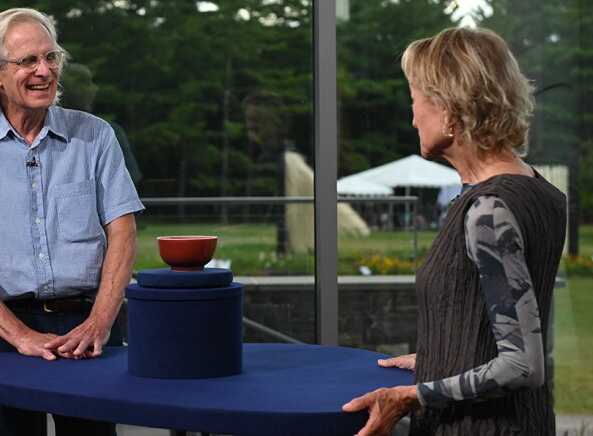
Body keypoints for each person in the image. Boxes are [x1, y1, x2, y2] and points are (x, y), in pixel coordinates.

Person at [0, 7, 145, 436]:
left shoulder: (97, 136)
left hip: (88, 330)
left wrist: (100, 322)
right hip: (0, 331)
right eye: (28, 61)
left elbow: (123, 234)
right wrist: (20, 335)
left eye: (51, 57)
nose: (45, 70)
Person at [342, 27, 567, 435]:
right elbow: (497, 320)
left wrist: (408, 396)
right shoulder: (540, 190)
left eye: (415, 102)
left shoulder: (489, 208)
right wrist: (437, 358)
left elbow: (521, 364)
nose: (412, 119)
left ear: (447, 109)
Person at [242, 90, 369, 255]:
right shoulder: (278, 159)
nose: (250, 126)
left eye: (256, 120)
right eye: (249, 120)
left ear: (272, 122)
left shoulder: (287, 161)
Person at [59, 63, 143, 184]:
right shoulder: (35, 135)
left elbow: (129, 187)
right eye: (86, 83)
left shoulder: (107, 132)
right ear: (64, 90)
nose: (95, 89)